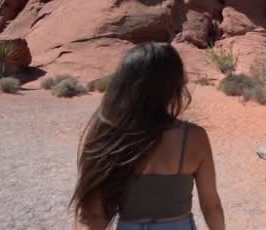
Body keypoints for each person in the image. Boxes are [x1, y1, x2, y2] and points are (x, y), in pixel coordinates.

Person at [70, 43, 225, 230]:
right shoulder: (194, 137)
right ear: (173, 84)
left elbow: (92, 216)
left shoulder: (110, 134)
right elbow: (211, 205)